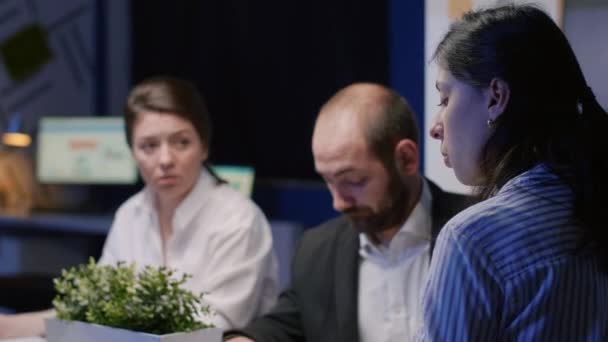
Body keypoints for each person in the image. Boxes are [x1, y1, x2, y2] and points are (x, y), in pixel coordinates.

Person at [0, 76, 279, 338]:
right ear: (132, 152)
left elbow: (213, 329)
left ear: (204, 146)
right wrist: (8, 327)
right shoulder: (130, 215)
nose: (166, 159)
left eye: (181, 142)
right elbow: (93, 308)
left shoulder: (238, 220)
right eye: (149, 146)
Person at [225, 83, 471, 342]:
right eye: (328, 181)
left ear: (406, 159)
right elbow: (287, 323)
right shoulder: (318, 251)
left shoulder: (478, 231)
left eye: (353, 180)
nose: (339, 203)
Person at [421, 5, 608, 341]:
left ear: (496, 97)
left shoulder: (473, 240)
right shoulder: (592, 208)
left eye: (445, 98)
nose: (436, 127)